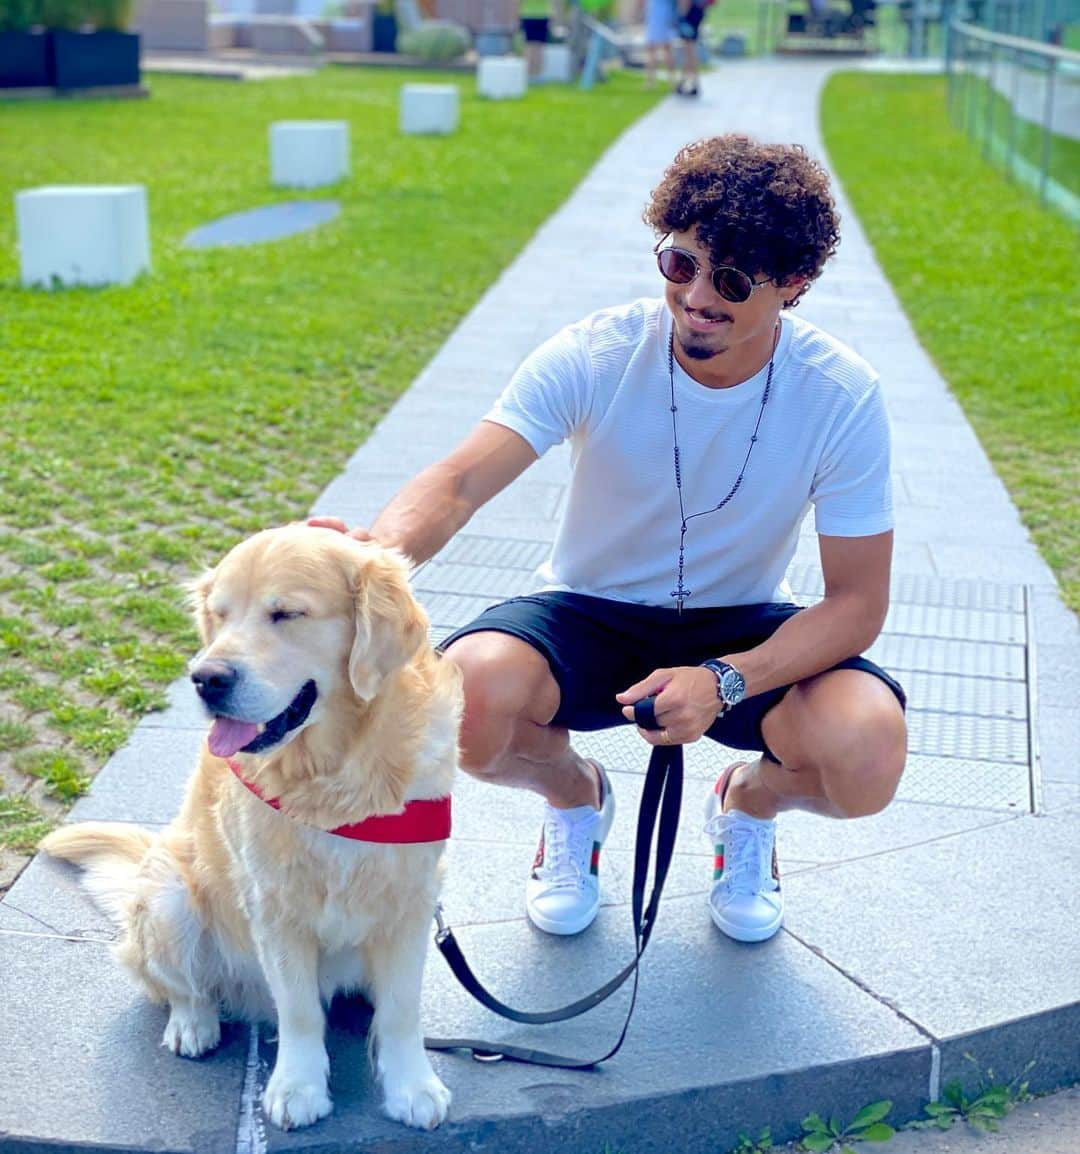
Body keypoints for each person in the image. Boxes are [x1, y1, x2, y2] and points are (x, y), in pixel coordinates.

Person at [312, 134, 907, 946]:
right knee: (466, 701)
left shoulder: (839, 393)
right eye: (680, 264)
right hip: (588, 608)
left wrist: (724, 682)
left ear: (794, 284)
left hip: (742, 623)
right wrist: (368, 559)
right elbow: (456, 483)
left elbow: (857, 602)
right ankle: (575, 800)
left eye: (731, 281)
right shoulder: (597, 351)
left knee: (867, 751)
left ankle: (746, 808)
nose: (697, 296)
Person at [642, 0, 678, 88]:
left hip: (660, 14)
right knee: (658, 50)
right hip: (662, 13)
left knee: (660, 50)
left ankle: (653, 81)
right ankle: (668, 80)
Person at [674, 0, 707, 96]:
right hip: (696, 13)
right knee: (690, 51)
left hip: (689, 16)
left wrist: (681, 16)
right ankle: (687, 81)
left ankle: (692, 82)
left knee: (689, 51)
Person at [519, 0, 555, 79]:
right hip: (542, 15)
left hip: (528, 14)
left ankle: (528, 74)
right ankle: (537, 74)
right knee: (539, 47)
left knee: (529, 46)